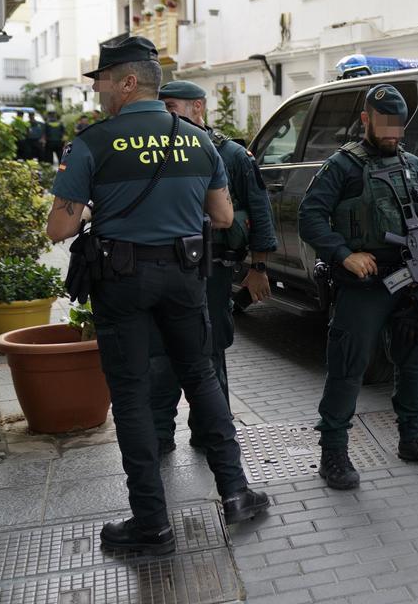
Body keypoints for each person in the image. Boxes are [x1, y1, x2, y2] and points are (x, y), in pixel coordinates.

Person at [45, 35, 269, 554]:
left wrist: (99, 208)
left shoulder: (94, 142)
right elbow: (224, 217)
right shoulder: (198, 139)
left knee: (130, 395)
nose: (98, 91)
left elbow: (60, 228)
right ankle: (235, 493)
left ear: (127, 82)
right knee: (202, 377)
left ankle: (153, 523)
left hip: (121, 282)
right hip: (185, 276)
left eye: (101, 81)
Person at [298, 84, 418, 489]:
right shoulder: (343, 166)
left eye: (398, 124)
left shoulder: (413, 165)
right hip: (365, 282)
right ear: (365, 119)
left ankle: (413, 438)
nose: (392, 132)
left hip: (410, 279)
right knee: (348, 366)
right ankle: (333, 454)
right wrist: (344, 254)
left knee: (413, 359)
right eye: (384, 123)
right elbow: (310, 217)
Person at [150, 80, 279, 451]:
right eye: (162, 109)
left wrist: (259, 266)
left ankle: (211, 432)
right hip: (166, 267)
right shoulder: (158, 151)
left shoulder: (230, 154)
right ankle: (161, 434)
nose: (166, 116)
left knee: (209, 349)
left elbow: (259, 210)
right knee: (161, 349)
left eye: (172, 107)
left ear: (198, 108)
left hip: (213, 269)